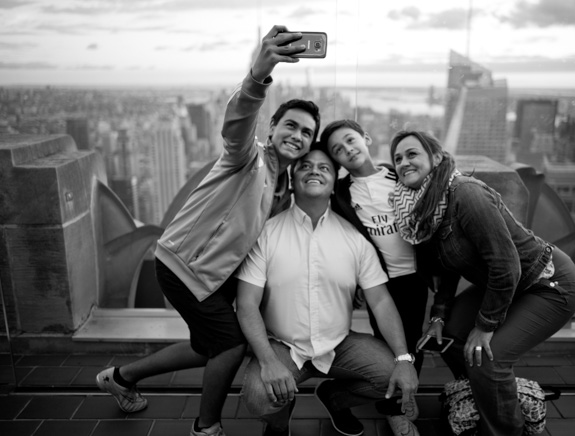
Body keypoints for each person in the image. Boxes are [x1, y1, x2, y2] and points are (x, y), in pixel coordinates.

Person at [95, 25, 321, 436]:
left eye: (307, 133)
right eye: (291, 126)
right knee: (230, 345)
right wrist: (259, 73)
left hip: (215, 278)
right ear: (272, 129)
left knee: (206, 347)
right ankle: (207, 427)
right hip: (185, 267)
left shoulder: (285, 187)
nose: (298, 136)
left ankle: (121, 378)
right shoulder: (248, 159)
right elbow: (237, 124)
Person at [389, 130, 575, 436]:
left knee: (487, 361)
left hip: (548, 283)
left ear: (436, 158)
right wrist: (439, 314)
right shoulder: (420, 207)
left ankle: (504, 427)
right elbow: (446, 266)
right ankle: (484, 399)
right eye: (397, 158)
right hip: (509, 283)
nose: (403, 162)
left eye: (412, 154)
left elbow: (507, 265)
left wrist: (485, 326)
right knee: (452, 335)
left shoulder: (465, 193)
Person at [235, 145, 420, 436]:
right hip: (282, 346)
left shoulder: (355, 239)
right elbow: (246, 303)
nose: (314, 171)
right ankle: (280, 423)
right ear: (293, 180)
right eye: (305, 166)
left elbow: (382, 302)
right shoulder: (267, 233)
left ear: (334, 182)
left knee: (390, 376)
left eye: (324, 168)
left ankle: (334, 398)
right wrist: (268, 361)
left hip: (339, 345)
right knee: (259, 398)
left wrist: (404, 358)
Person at [320, 119, 430, 435]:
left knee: (415, 342)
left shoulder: (397, 175)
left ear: (366, 138)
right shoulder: (340, 193)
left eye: (350, 141)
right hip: (380, 282)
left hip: (415, 275)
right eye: (337, 150)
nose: (347, 150)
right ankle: (393, 409)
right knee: (390, 346)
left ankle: (401, 397)